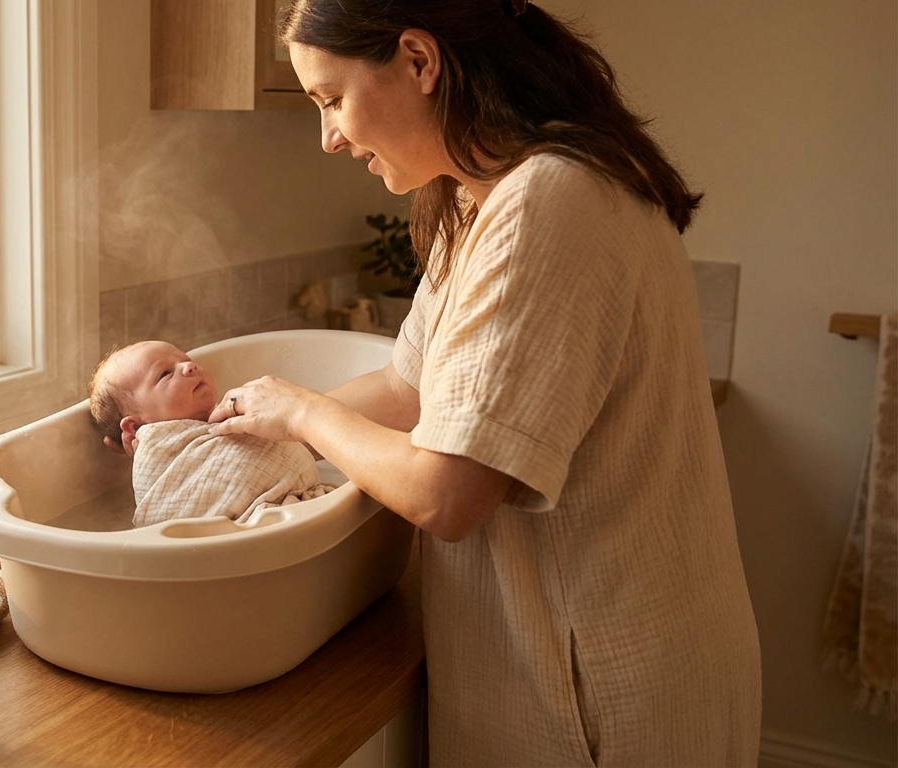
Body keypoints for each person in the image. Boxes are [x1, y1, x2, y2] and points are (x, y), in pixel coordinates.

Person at [205, 1, 763, 765]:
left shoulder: (546, 201)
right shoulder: (485, 197)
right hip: (627, 649)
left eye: (332, 99)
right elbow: (410, 391)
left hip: (601, 687)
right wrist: (223, 429)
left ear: (419, 61)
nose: (329, 137)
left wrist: (300, 411)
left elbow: (446, 492)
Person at [88, 340, 333, 528]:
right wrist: (147, 446)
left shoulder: (230, 415)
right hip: (243, 529)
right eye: (164, 374)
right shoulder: (160, 449)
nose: (189, 367)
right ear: (134, 429)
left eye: (185, 359)